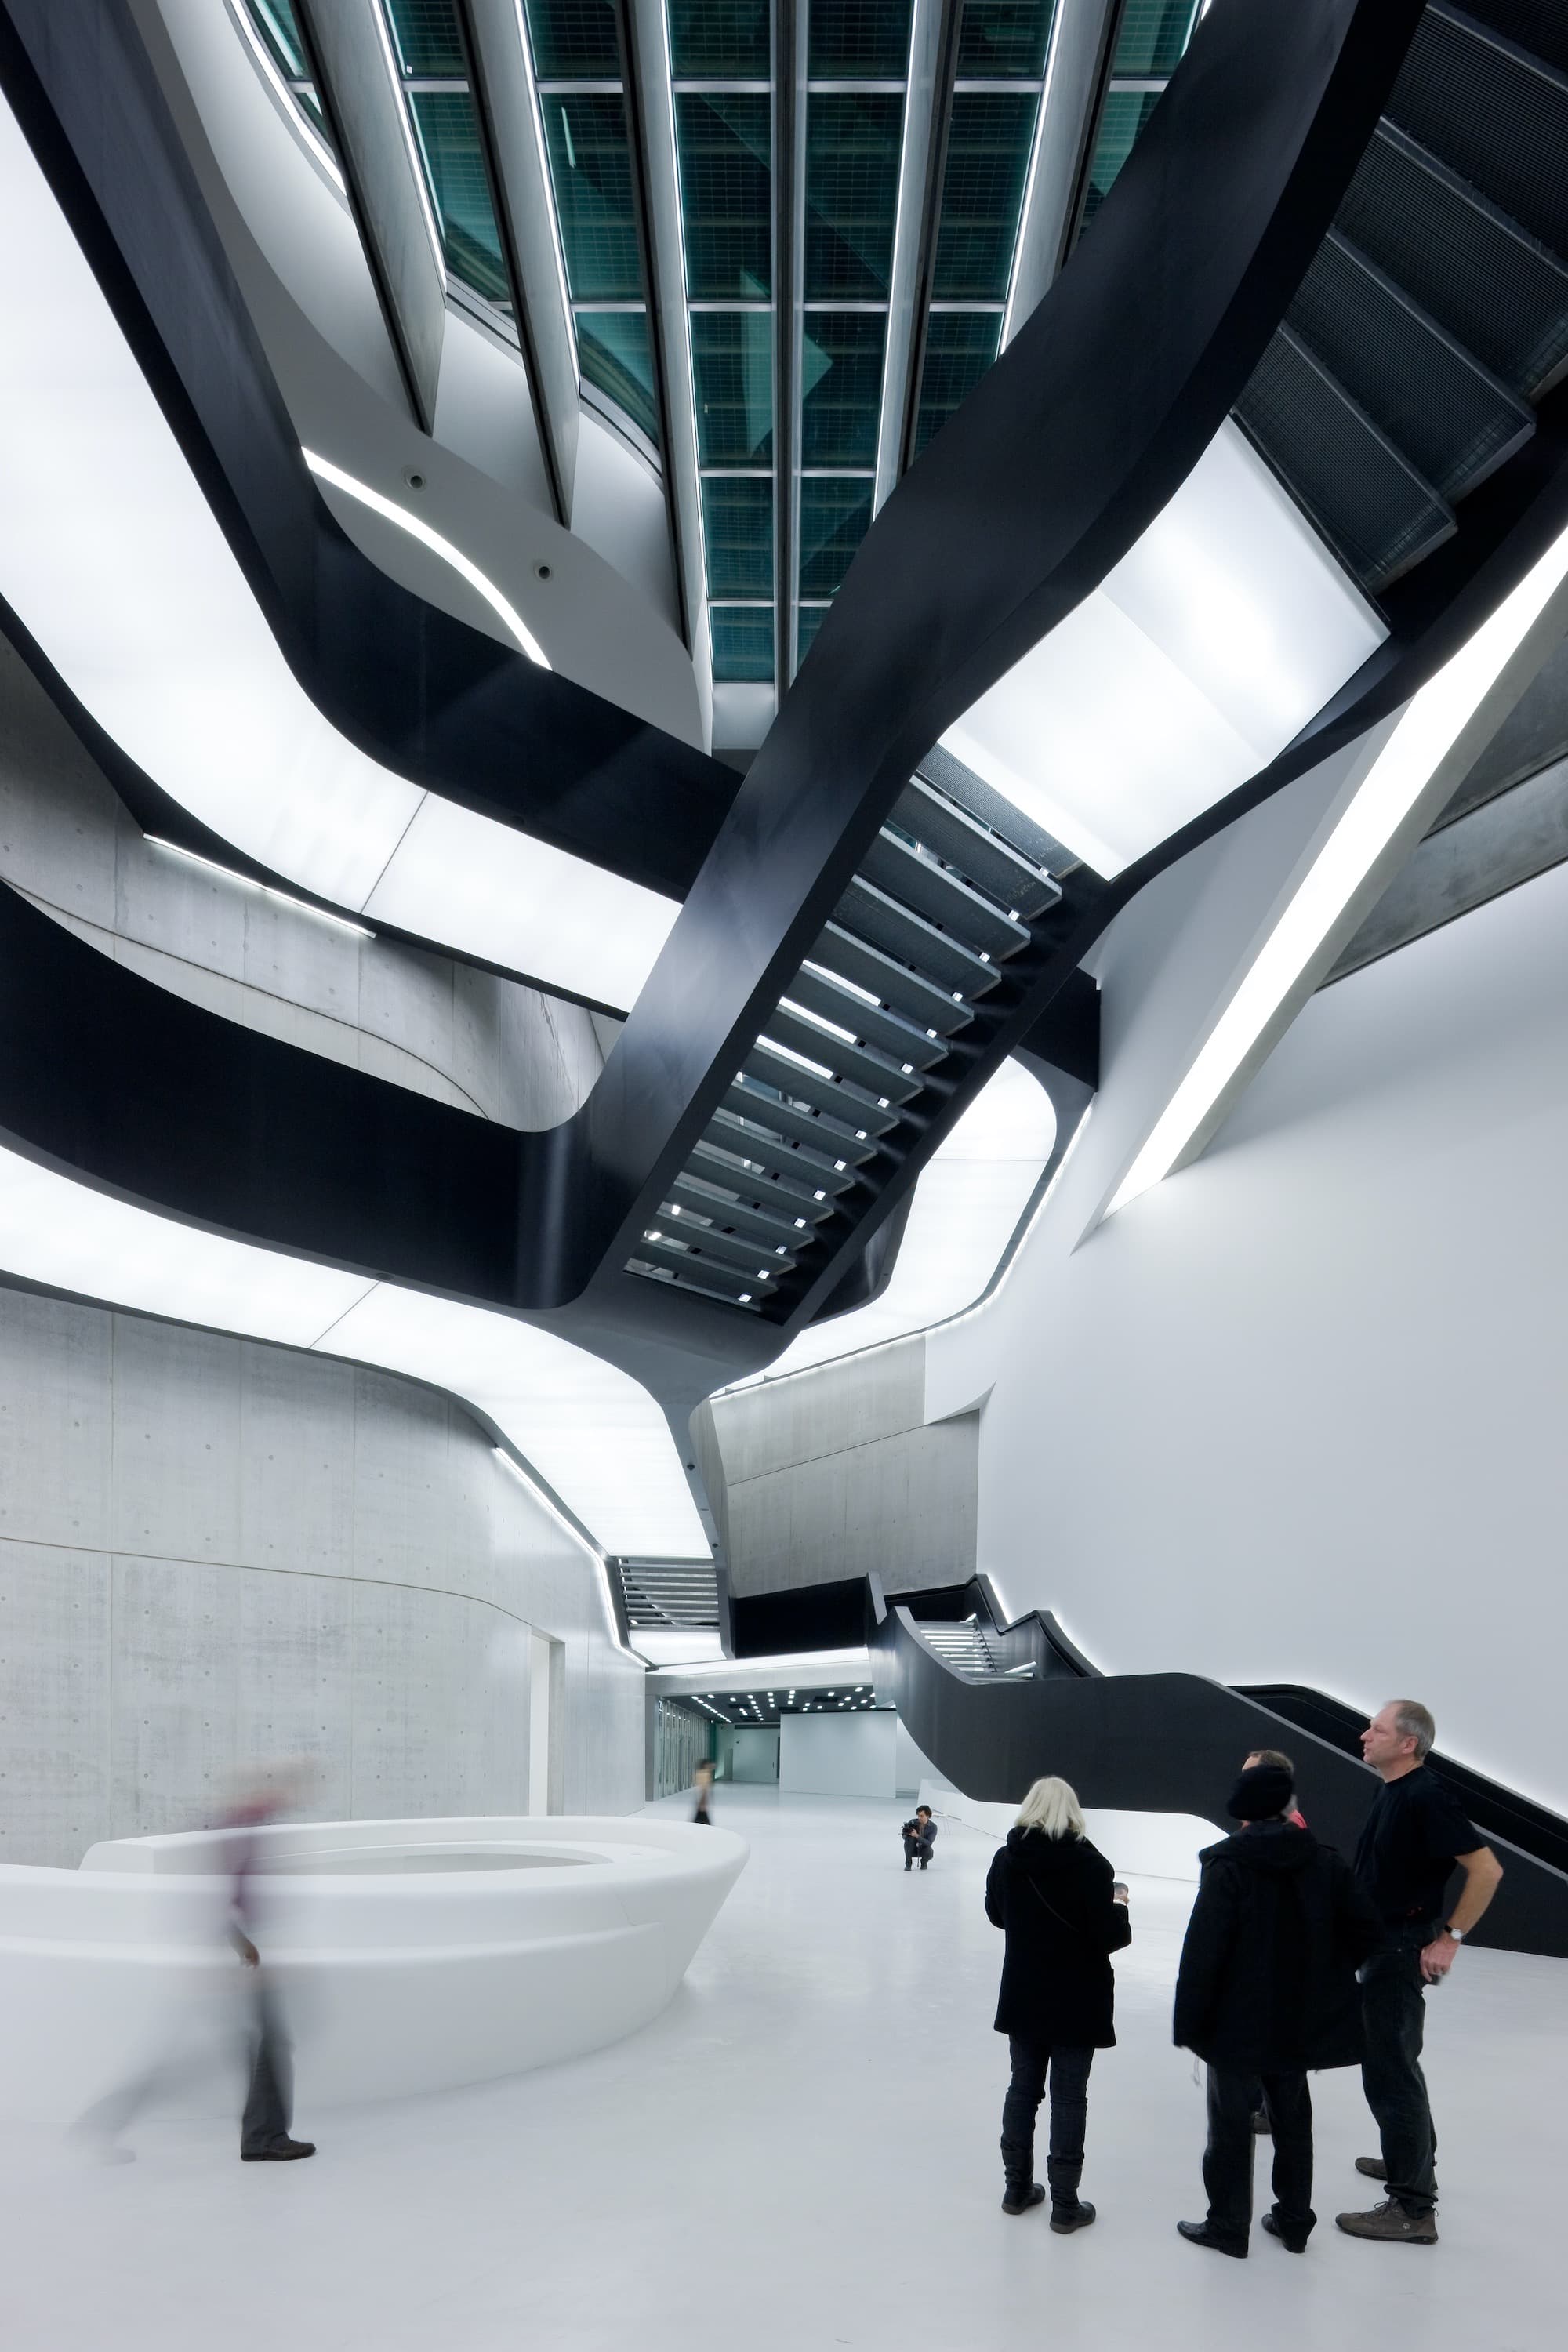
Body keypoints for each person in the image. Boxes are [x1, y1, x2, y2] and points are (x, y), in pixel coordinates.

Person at [1173, 1760, 1380, 2258]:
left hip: (1234, 2022)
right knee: (1292, 2121)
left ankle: (1227, 2225)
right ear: (1289, 1806)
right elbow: (1366, 1934)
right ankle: (1293, 2222)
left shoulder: (1226, 1865)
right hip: (1297, 2018)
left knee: (1229, 2127)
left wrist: (1189, 2019)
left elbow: (1204, 1950)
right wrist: (1326, 1976)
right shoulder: (1326, 1863)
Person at [1337, 1699, 1503, 2246]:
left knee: (1389, 2071)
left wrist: (1449, 1938)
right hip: (1382, 1943)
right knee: (1398, 2061)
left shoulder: (1426, 1796)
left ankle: (1412, 2209)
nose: (1365, 1735)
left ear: (1408, 1743)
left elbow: (1486, 1869)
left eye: (1377, 1729)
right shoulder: (1394, 1791)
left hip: (1398, 1948)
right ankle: (1409, 2161)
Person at [984, 1776, 1131, 2230]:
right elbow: (1108, 1936)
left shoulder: (1008, 1859)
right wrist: (1121, 1906)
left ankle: (1016, 2188)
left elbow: (997, 1915)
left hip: (1026, 1991)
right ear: (1073, 1811)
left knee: (1022, 2089)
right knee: (1070, 2099)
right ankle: (1066, 2206)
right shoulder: (1092, 1865)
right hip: (1077, 1996)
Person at [1240, 1747, 1306, 2136]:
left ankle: (1276, 2110)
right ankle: (1268, 2105)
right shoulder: (1264, 1820)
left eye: (1249, 1773)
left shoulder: (1286, 1825)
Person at [902, 1805, 938, 1870]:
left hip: (923, 1849)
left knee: (930, 1852)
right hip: (912, 1848)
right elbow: (904, 1836)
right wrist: (906, 1834)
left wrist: (917, 1836)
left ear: (928, 1816)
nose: (919, 1818)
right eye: (918, 1815)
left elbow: (929, 1843)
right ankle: (908, 1864)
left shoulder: (933, 1827)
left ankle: (924, 1862)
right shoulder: (913, 1822)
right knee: (909, 1839)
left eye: (922, 1816)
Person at [691, 1758, 715, 1825]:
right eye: (707, 1765)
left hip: (700, 1795)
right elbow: (704, 1787)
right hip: (702, 1795)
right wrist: (703, 1800)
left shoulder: (699, 1773)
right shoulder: (705, 1774)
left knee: (700, 1814)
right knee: (702, 1814)